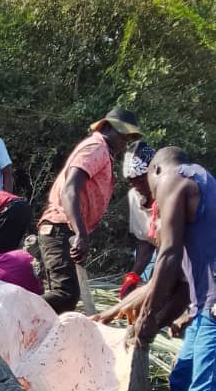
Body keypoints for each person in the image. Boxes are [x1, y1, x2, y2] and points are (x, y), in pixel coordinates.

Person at [128, 148, 216, 391]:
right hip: (203, 307)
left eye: (147, 186)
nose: (151, 198)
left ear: (156, 170)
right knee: (181, 380)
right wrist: (185, 313)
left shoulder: (172, 179)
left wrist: (148, 318)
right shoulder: (201, 178)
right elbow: (187, 268)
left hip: (212, 307)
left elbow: (168, 256)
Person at [37, 106, 143, 314]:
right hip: (60, 227)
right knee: (65, 295)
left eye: (128, 139)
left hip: (64, 229)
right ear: (108, 128)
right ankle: (9, 314)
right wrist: (80, 233)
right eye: (123, 136)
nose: (124, 143)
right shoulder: (97, 148)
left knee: (64, 298)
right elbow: (70, 189)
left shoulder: (102, 151)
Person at [119, 142, 158, 299]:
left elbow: (175, 248)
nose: (136, 186)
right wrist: (133, 276)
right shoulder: (134, 196)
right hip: (165, 254)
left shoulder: (171, 194)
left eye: (140, 181)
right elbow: (145, 241)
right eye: (131, 181)